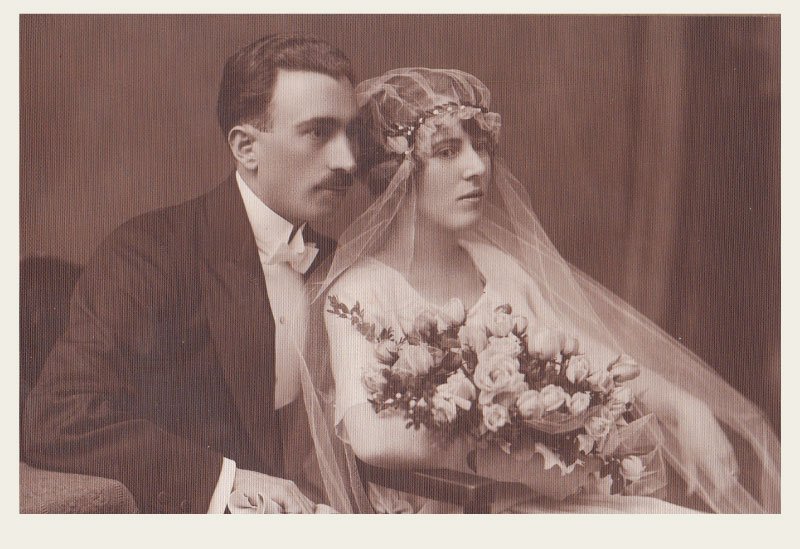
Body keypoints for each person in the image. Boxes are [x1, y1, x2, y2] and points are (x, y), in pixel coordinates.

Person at [305, 68, 780, 513]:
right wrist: (508, 456)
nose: (477, 167)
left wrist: (683, 407)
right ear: (396, 173)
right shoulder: (361, 290)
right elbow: (368, 434)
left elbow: (595, 359)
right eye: (448, 151)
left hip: (535, 501)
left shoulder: (495, 265)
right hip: (448, 512)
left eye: (481, 145)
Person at [23, 33, 359, 514]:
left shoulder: (333, 258)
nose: (346, 160)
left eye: (351, 134)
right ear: (246, 147)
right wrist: (230, 482)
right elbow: (59, 417)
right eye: (319, 132)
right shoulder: (150, 251)